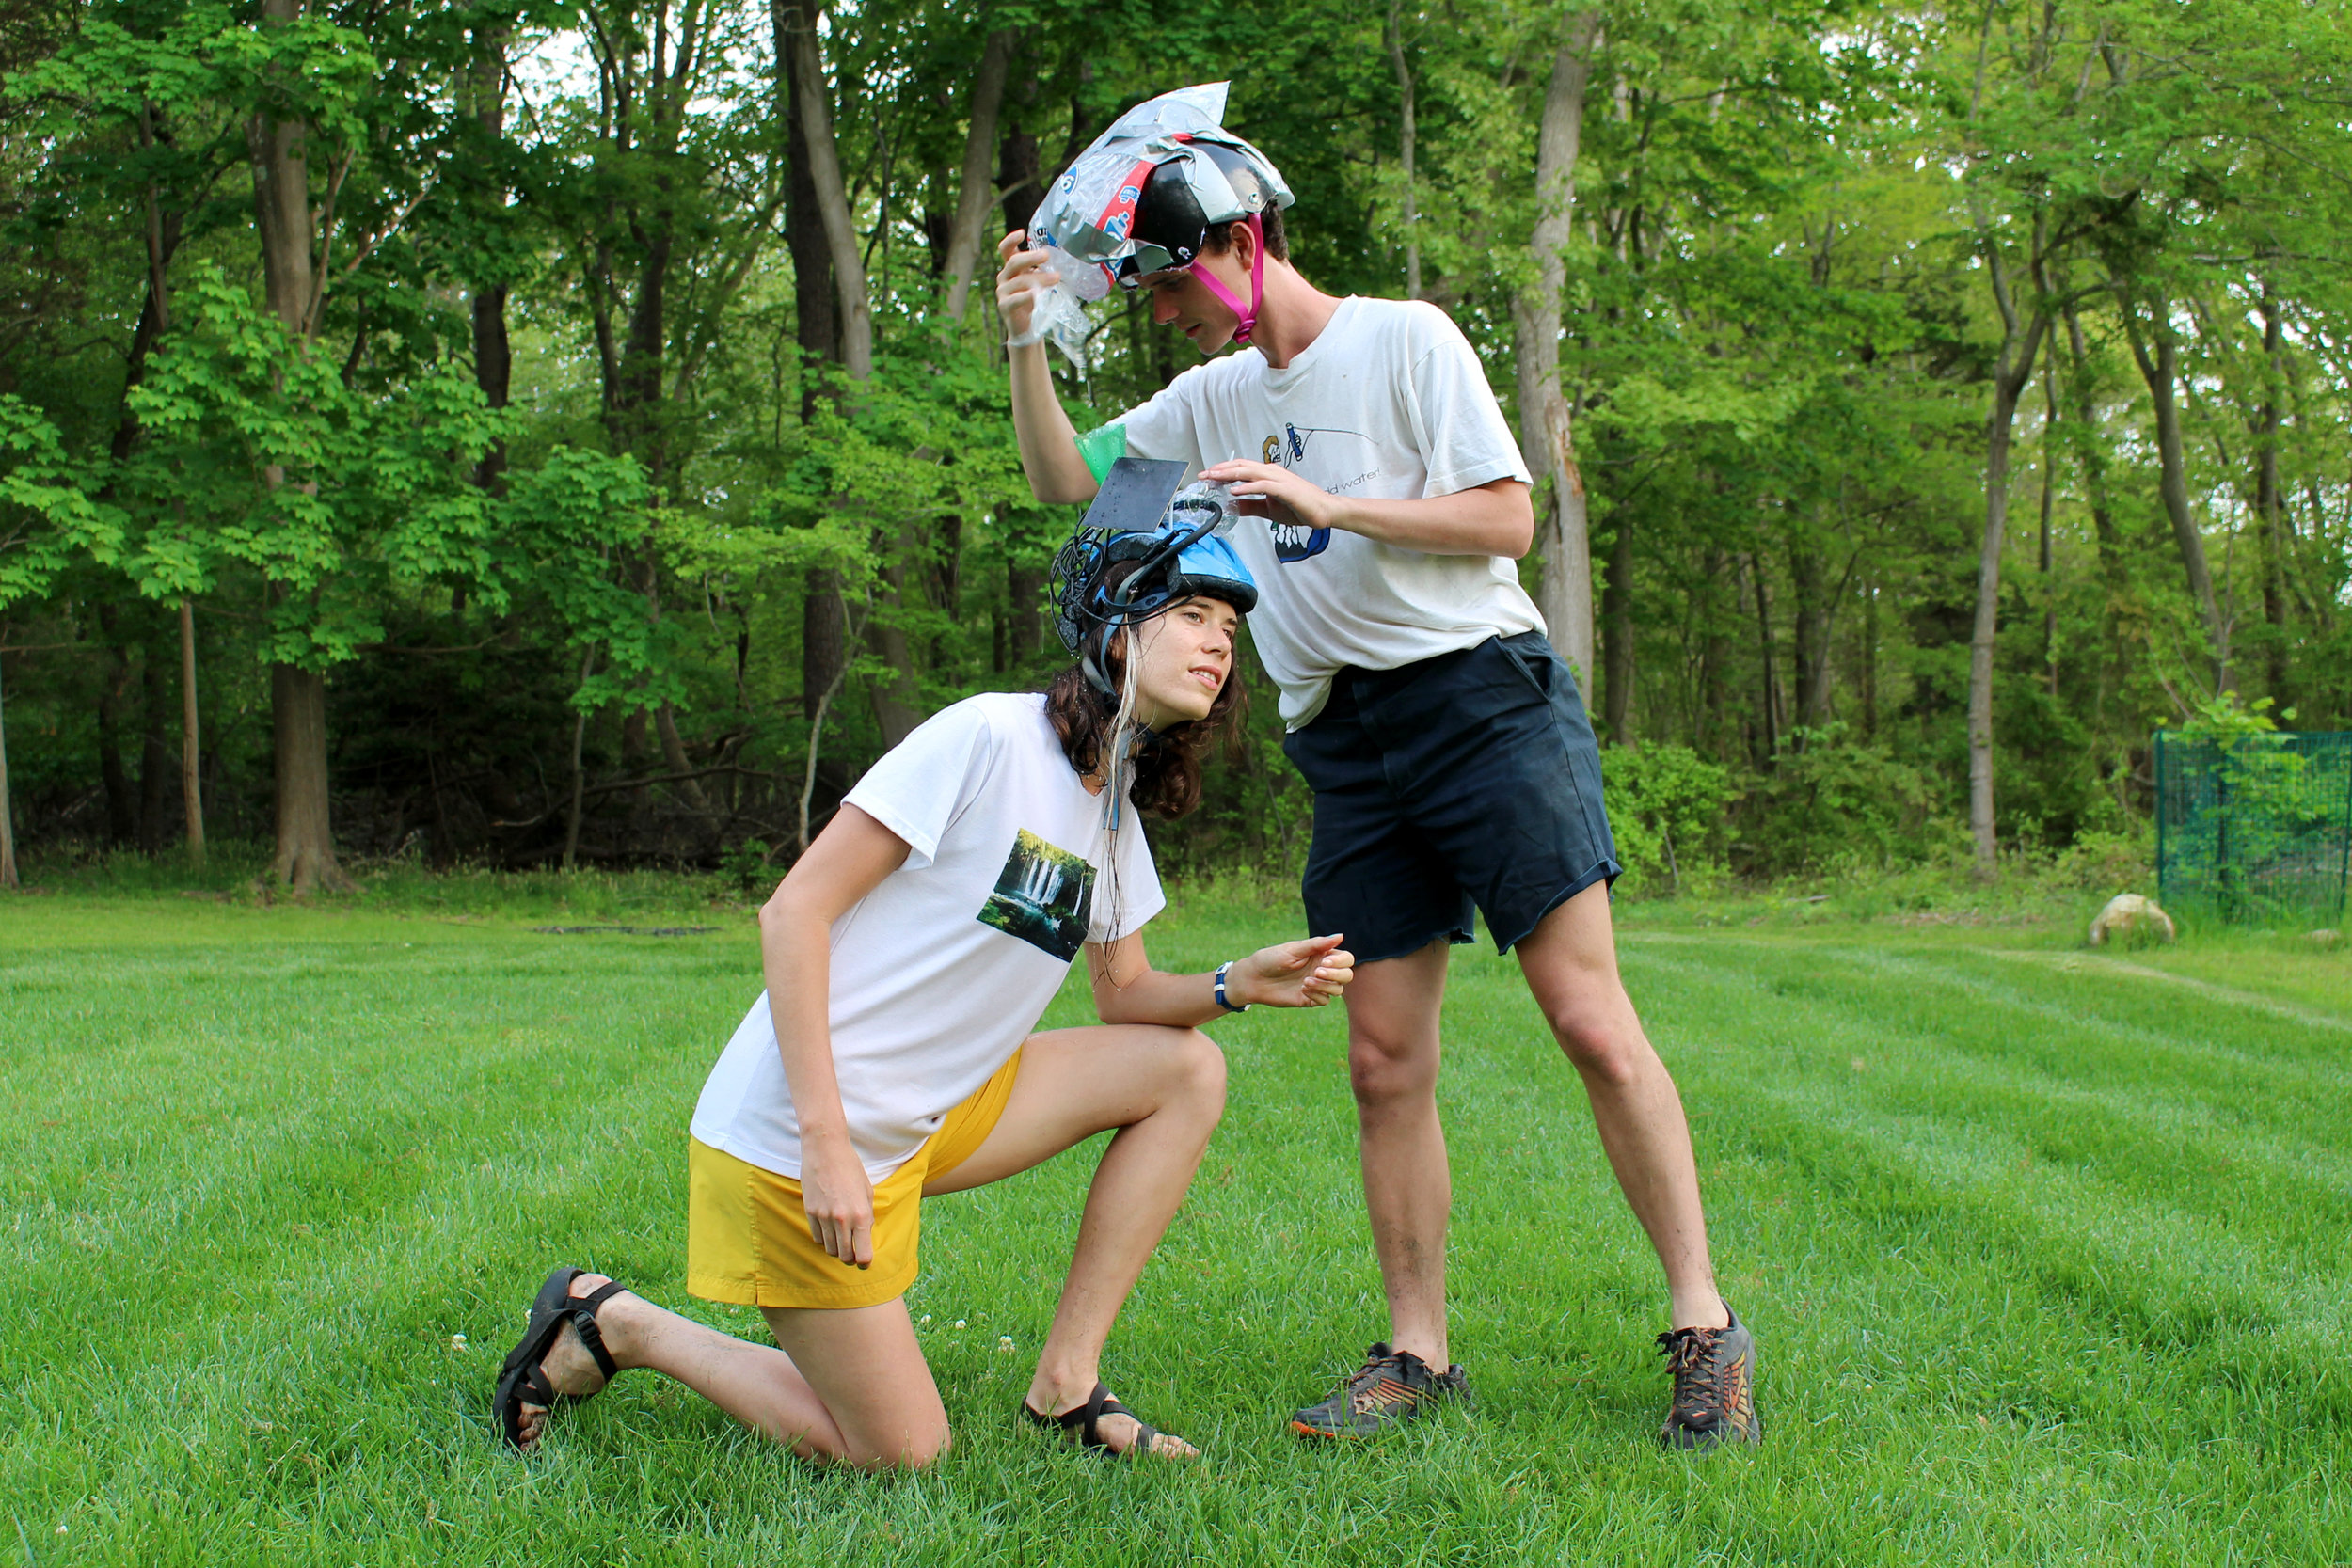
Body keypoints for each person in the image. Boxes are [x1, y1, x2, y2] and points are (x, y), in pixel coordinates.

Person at [994, 84, 1760, 1449]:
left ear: (1236, 248)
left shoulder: (1406, 341)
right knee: (1384, 1056)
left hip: (1484, 706)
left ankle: (1705, 1326)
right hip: (1344, 736)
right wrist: (1024, 350)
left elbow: (1508, 518)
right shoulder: (1212, 391)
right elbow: (1066, 479)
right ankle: (1418, 1352)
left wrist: (1329, 502)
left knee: (1587, 1017)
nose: (1161, 315)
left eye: (1168, 286)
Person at [492, 512, 1356, 1468]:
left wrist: (1239, 982)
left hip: (934, 1113)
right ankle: (616, 1320)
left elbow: (1131, 995)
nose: (1215, 643)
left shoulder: (1112, 816)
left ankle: (1066, 1383)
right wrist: (825, 1143)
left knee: (1185, 1069)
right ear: (1116, 625)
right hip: (801, 1137)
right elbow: (794, 913)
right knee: (901, 1452)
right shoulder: (986, 736)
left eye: (1229, 632)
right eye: (1191, 613)